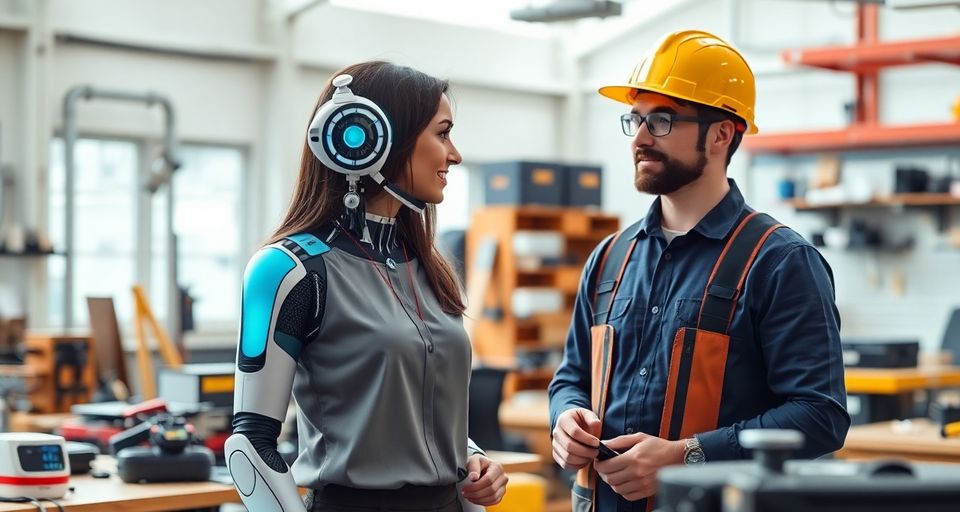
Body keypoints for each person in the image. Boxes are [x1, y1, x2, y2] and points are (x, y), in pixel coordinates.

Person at [548, 30, 850, 511]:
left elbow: (819, 417)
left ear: (721, 134)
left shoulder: (780, 261)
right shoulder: (609, 257)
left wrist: (688, 456)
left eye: (661, 120)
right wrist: (565, 418)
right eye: (635, 119)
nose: (640, 138)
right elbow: (571, 377)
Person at [225, 61, 508, 512]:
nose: (454, 155)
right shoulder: (290, 269)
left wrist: (472, 458)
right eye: (442, 134)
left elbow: (421, 415)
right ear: (371, 137)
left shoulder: (430, 267)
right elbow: (251, 444)